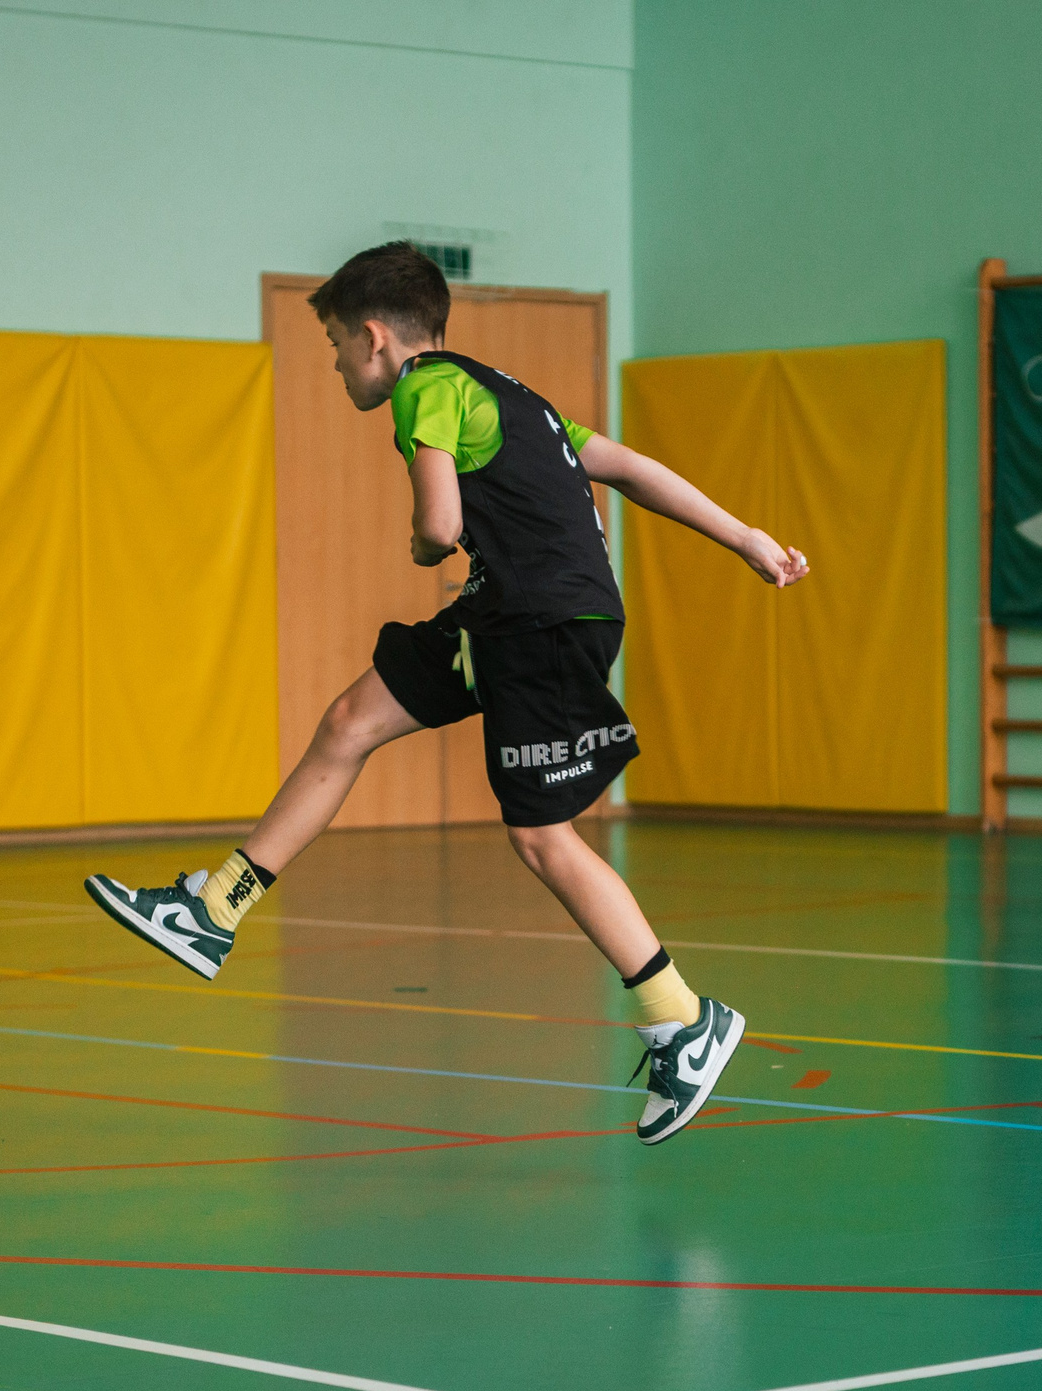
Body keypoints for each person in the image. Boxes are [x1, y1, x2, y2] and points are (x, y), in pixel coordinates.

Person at [85, 242, 808, 1144]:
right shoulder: (514, 396)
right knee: (351, 720)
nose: (338, 360)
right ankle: (212, 909)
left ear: (376, 338)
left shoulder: (425, 390)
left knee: (542, 837)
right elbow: (621, 466)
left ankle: (680, 1018)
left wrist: (428, 549)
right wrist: (743, 536)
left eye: (337, 343)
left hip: (541, 621)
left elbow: (439, 522)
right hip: (510, 610)